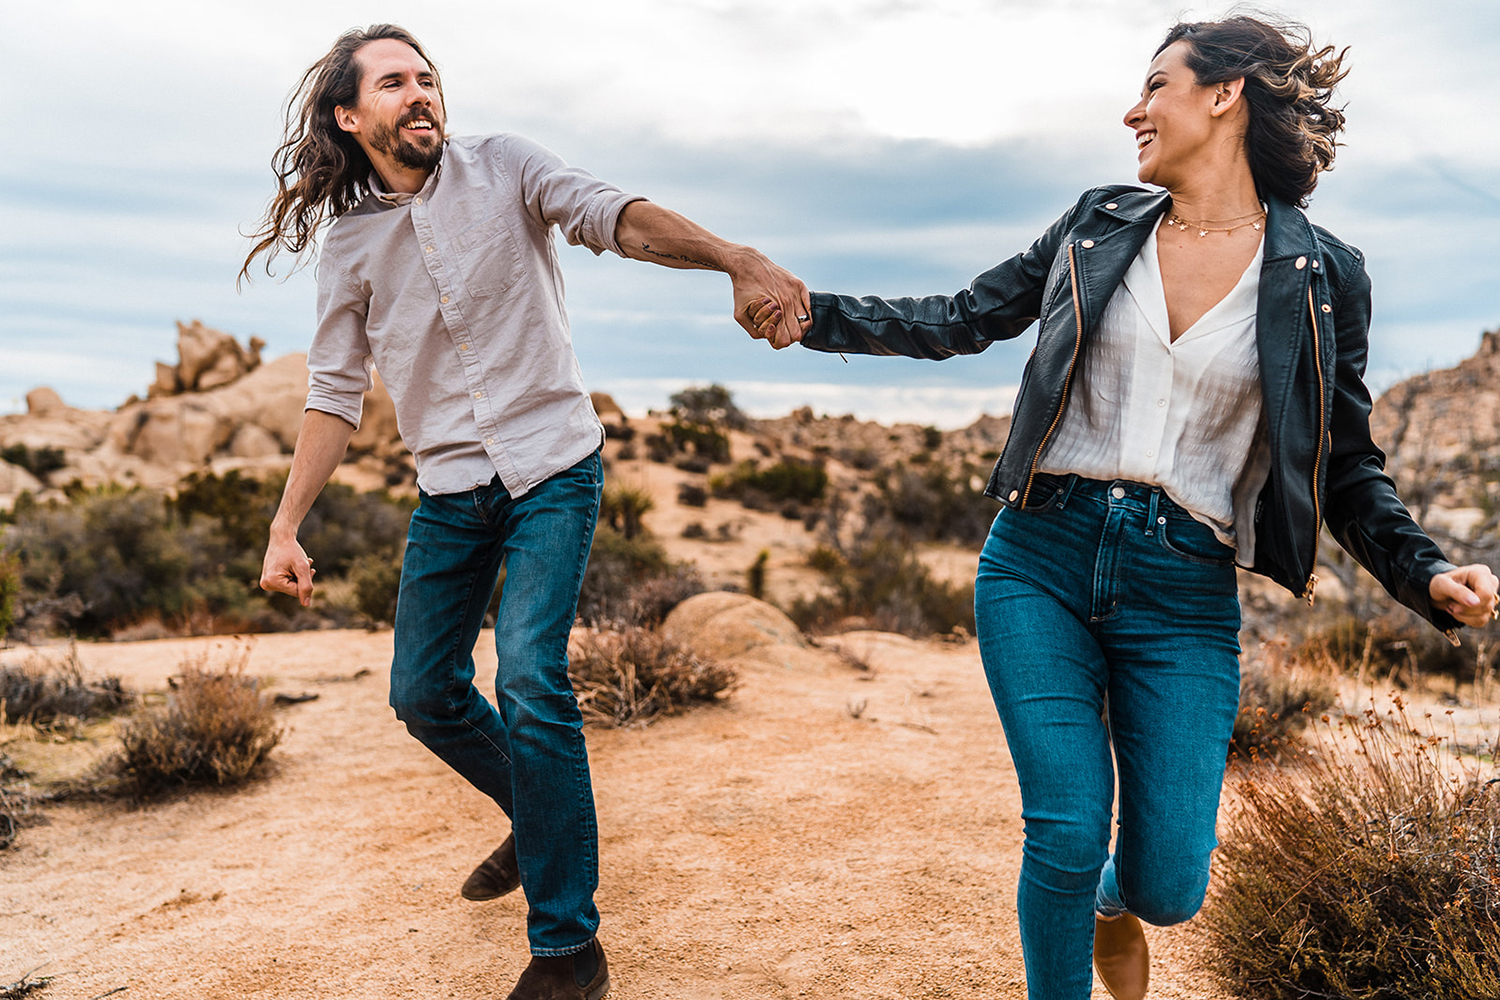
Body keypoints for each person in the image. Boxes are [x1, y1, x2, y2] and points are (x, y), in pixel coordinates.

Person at [747, 15, 1499, 1000]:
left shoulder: (1322, 273)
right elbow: (965, 317)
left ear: (1225, 95)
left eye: (1157, 86)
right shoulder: (1096, 224)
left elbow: (1345, 466)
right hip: (1040, 557)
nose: (1133, 109)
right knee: (1062, 824)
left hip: (1182, 591)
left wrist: (1427, 574)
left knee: (1170, 884)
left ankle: (1115, 904)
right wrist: (820, 316)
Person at [244, 24, 809, 1000]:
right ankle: (537, 810)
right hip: (452, 492)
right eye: (393, 83)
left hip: (554, 469)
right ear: (350, 114)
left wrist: (732, 256)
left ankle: (567, 950)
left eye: (426, 77)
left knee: (532, 674)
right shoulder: (351, 244)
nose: (420, 93)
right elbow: (335, 391)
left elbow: (613, 215)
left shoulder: (506, 167)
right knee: (422, 693)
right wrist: (284, 525)